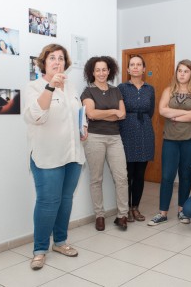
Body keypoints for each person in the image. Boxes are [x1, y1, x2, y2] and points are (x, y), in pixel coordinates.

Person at [23, 43, 88, 270]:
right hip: (47, 155)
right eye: (52, 57)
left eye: (61, 58)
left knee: (65, 200)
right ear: (44, 62)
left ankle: (60, 242)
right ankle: (40, 249)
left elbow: (78, 114)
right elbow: (36, 116)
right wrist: (50, 87)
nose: (57, 61)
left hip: (72, 154)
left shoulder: (71, 88)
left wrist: (83, 127)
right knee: (48, 202)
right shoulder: (34, 87)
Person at [148, 59, 191, 226]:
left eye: (186, 71)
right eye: (179, 70)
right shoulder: (168, 90)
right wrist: (185, 113)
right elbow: (162, 110)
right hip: (171, 139)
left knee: (186, 176)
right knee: (166, 176)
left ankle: (182, 211)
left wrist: (175, 115)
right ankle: (162, 213)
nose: (182, 74)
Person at [81, 56, 129, 231]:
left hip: (115, 137)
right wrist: (113, 112)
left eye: (104, 69)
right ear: (92, 72)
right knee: (96, 179)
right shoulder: (87, 92)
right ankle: (99, 215)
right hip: (94, 137)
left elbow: (122, 114)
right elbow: (91, 114)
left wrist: (108, 113)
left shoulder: (116, 90)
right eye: (97, 70)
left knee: (121, 177)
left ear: (109, 71)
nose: (101, 73)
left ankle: (122, 215)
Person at [118, 55, 155, 222]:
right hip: (127, 130)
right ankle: (125, 209)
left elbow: (151, 111)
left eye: (139, 64)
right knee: (127, 174)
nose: (135, 67)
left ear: (143, 68)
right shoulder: (122, 88)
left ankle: (135, 208)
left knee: (140, 173)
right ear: (127, 69)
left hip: (145, 130)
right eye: (132, 65)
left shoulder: (150, 88)